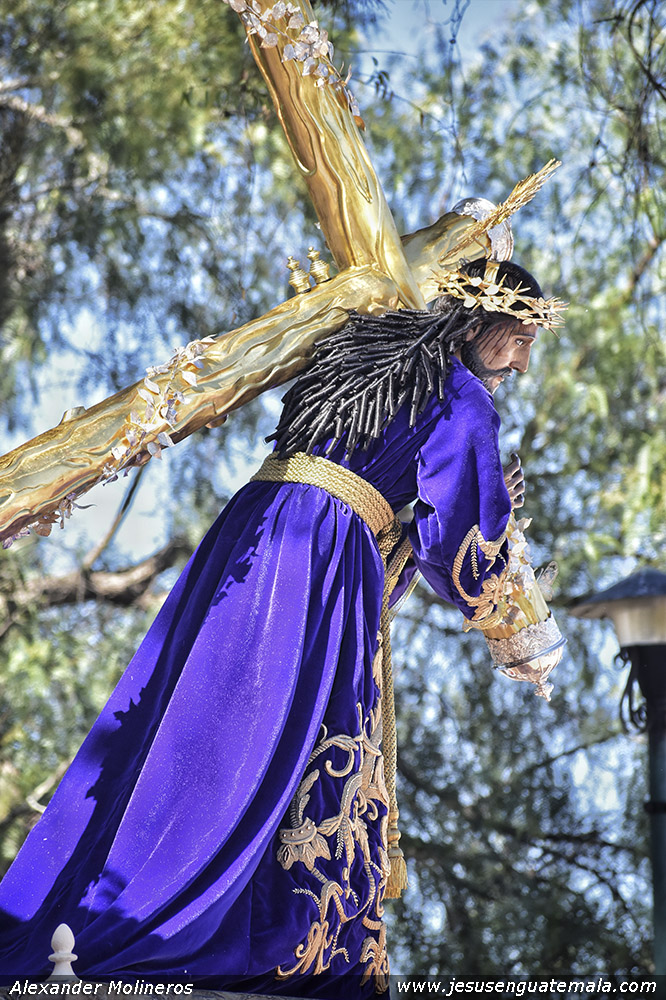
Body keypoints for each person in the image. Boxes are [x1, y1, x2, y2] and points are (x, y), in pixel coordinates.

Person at [0, 256, 562, 997]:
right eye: (518, 339)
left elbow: (373, 492)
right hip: (319, 557)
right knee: (259, 741)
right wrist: (516, 620)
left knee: (194, 722)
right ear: (477, 322)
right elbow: (460, 545)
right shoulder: (462, 396)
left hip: (255, 528)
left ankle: (90, 905)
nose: (521, 363)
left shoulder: (369, 352)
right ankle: (182, 929)